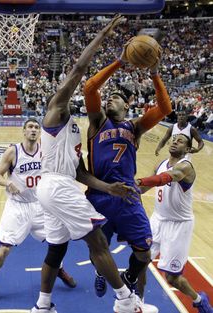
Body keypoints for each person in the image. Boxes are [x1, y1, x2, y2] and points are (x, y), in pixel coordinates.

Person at [31, 16, 143, 313]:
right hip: (56, 186)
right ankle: (125, 300)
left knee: (57, 250)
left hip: (55, 186)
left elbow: (80, 172)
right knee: (98, 243)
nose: (69, 91)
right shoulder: (55, 110)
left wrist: (109, 188)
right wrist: (105, 33)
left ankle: (42, 306)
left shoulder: (74, 129)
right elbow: (80, 69)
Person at [83, 44, 172, 313]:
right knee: (98, 250)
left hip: (128, 197)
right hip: (100, 196)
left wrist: (155, 73)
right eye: (108, 97)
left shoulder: (135, 127)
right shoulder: (98, 121)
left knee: (144, 253)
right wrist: (119, 61)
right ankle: (103, 273)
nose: (109, 99)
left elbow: (165, 108)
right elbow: (90, 88)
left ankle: (129, 278)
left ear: (127, 104)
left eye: (115, 97)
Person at [0, 118, 76, 307]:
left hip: (40, 205)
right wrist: (8, 183)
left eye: (36, 128)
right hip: (18, 207)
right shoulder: (12, 151)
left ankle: (59, 268)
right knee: (5, 248)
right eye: (30, 127)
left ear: (39, 132)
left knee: (56, 242)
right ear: (23, 131)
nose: (33, 130)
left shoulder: (44, 151)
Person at [135, 133, 213, 313]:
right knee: (139, 262)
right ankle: (138, 303)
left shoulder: (186, 167)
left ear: (187, 149)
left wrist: (140, 181)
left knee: (172, 278)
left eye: (180, 141)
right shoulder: (161, 163)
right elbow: (144, 188)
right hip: (158, 220)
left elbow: (172, 175)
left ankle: (199, 300)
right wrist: (128, 189)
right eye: (173, 139)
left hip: (179, 225)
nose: (174, 142)